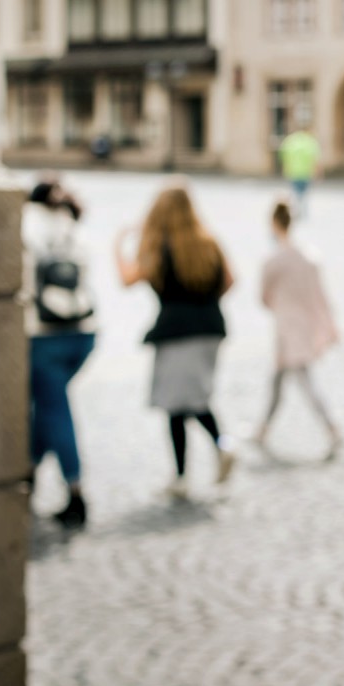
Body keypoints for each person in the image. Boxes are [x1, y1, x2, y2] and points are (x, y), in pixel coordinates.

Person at [114, 182, 236, 498]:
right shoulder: (208, 242)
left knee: (178, 403)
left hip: (176, 331)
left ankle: (203, 461)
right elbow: (230, 281)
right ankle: (210, 456)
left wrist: (118, 245)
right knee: (193, 398)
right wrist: (204, 300)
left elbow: (128, 279)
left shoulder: (160, 247)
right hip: (211, 327)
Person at [23, 177, 96, 529]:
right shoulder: (75, 226)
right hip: (84, 334)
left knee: (54, 408)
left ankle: (76, 492)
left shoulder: (28, 227)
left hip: (44, 337)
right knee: (50, 406)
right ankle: (29, 474)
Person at [254, 198, 343, 458]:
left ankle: (332, 427)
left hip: (286, 328)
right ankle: (263, 428)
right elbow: (320, 297)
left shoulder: (273, 261)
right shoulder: (309, 258)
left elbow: (263, 298)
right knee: (279, 380)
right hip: (302, 325)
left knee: (303, 381)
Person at [278, 126, 320, 216]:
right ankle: (302, 210)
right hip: (306, 172)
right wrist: (316, 171)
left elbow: (283, 155)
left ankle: (296, 210)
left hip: (293, 171)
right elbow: (315, 158)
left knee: (295, 192)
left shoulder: (290, 141)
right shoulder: (310, 141)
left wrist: (285, 168)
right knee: (304, 193)